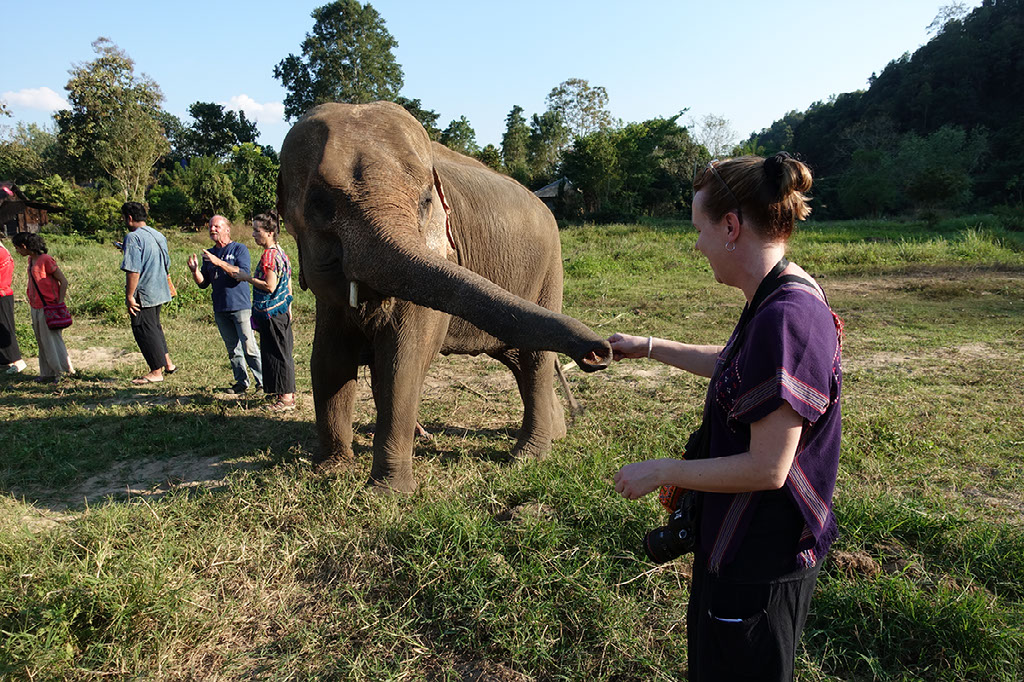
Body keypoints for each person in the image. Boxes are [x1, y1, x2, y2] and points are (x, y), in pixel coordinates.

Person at [609, 153, 842, 682]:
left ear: (732, 227)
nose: (697, 244)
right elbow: (737, 366)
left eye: (700, 229)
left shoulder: (785, 317)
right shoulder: (783, 292)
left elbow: (768, 467)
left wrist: (663, 470)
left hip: (759, 561)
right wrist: (648, 347)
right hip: (743, 549)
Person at [187, 214, 262, 394]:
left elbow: (240, 273)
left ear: (227, 229)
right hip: (220, 308)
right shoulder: (208, 254)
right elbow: (203, 283)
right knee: (233, 350)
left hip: (240, 306)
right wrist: (195, 271)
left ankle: (263, 382)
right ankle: (241, 384)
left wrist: (218, 262)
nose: (212, 229)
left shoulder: (239, 249)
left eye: (216, 226)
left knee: (249, 347)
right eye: (211, 227)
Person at [231, 212, 296, 411]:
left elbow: (269, 286)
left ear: (269, 232)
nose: (253, 234)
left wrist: (245, 277)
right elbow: (289, 284)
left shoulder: (269, 255)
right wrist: (290, 306)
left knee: (277, 353)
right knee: (282, 351)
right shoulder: (281, 252)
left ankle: (285, 399)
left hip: (271, 313)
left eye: (256, 230)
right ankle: (284, 393)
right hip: (280, 310)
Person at [121, 202, 176, 385]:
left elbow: (133, 270)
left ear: (129, 218)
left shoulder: (133, 237)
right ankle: (168, 363)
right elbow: (165, 261)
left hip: (144, 291)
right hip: (159, 288)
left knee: (143, 328)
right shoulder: (158, 235)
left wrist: (130, 296)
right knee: (154, 326)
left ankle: (155, 371)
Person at [11, 232, 74, 383]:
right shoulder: (31, 260)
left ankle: (61, 372)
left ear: (24, 246)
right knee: (42, 341)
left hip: (48, 306)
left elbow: (63, 281)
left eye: (17, 248)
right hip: (36, 306)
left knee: (51, 340)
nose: (17, 251)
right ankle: (47, 373)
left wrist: (59, 302)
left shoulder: (45, 259)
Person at [0, 233, 28, 374]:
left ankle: (17, 362)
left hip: (2, 294)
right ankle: (5, 360)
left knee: (5, 328)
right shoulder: (2, 249)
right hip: (4, 293)